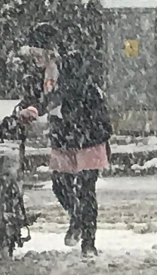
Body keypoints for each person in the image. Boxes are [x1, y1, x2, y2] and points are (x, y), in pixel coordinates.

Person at [16, 22, 112, 257]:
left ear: (51, 50)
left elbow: (65, 93)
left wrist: (39, 108)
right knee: (60, 184)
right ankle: (77, 216)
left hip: (89, 131)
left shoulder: (72, 63)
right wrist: (22, 110)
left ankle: (88, 242)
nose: (35, 59)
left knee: (87, 188)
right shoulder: (40, 72)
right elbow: (34, 96)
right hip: (64, 133)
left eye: (38, 53)